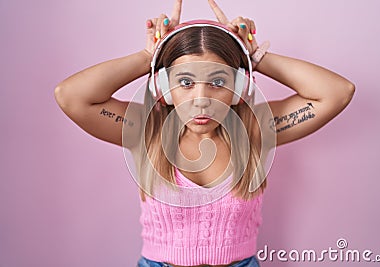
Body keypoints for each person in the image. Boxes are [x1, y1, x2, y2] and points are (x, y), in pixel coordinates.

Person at [54, 0, 355, 266]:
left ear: (239, 87)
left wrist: (254, 57)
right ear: (163, 87)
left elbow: (337, 92)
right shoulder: (147, 130)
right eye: (185, 82)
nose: (202, 98)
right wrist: (149, 56)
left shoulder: (254, 129)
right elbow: (71, 95)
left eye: (218, 82)